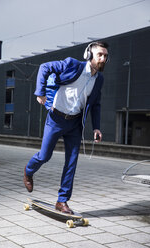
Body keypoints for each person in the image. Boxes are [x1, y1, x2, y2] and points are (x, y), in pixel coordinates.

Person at [23, 41, 109, 214]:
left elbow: (96, 104)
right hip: (56, 119)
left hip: (75, 123)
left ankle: (62, 201)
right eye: (100, 55)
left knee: (71, 162)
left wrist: (96, 128)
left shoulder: (99, 79)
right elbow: (44, 67)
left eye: (106, 56)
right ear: (89, 55)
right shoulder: (72, 65)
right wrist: (40, 91)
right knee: (44, 155)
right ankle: (28, 171)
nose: (103, 59)